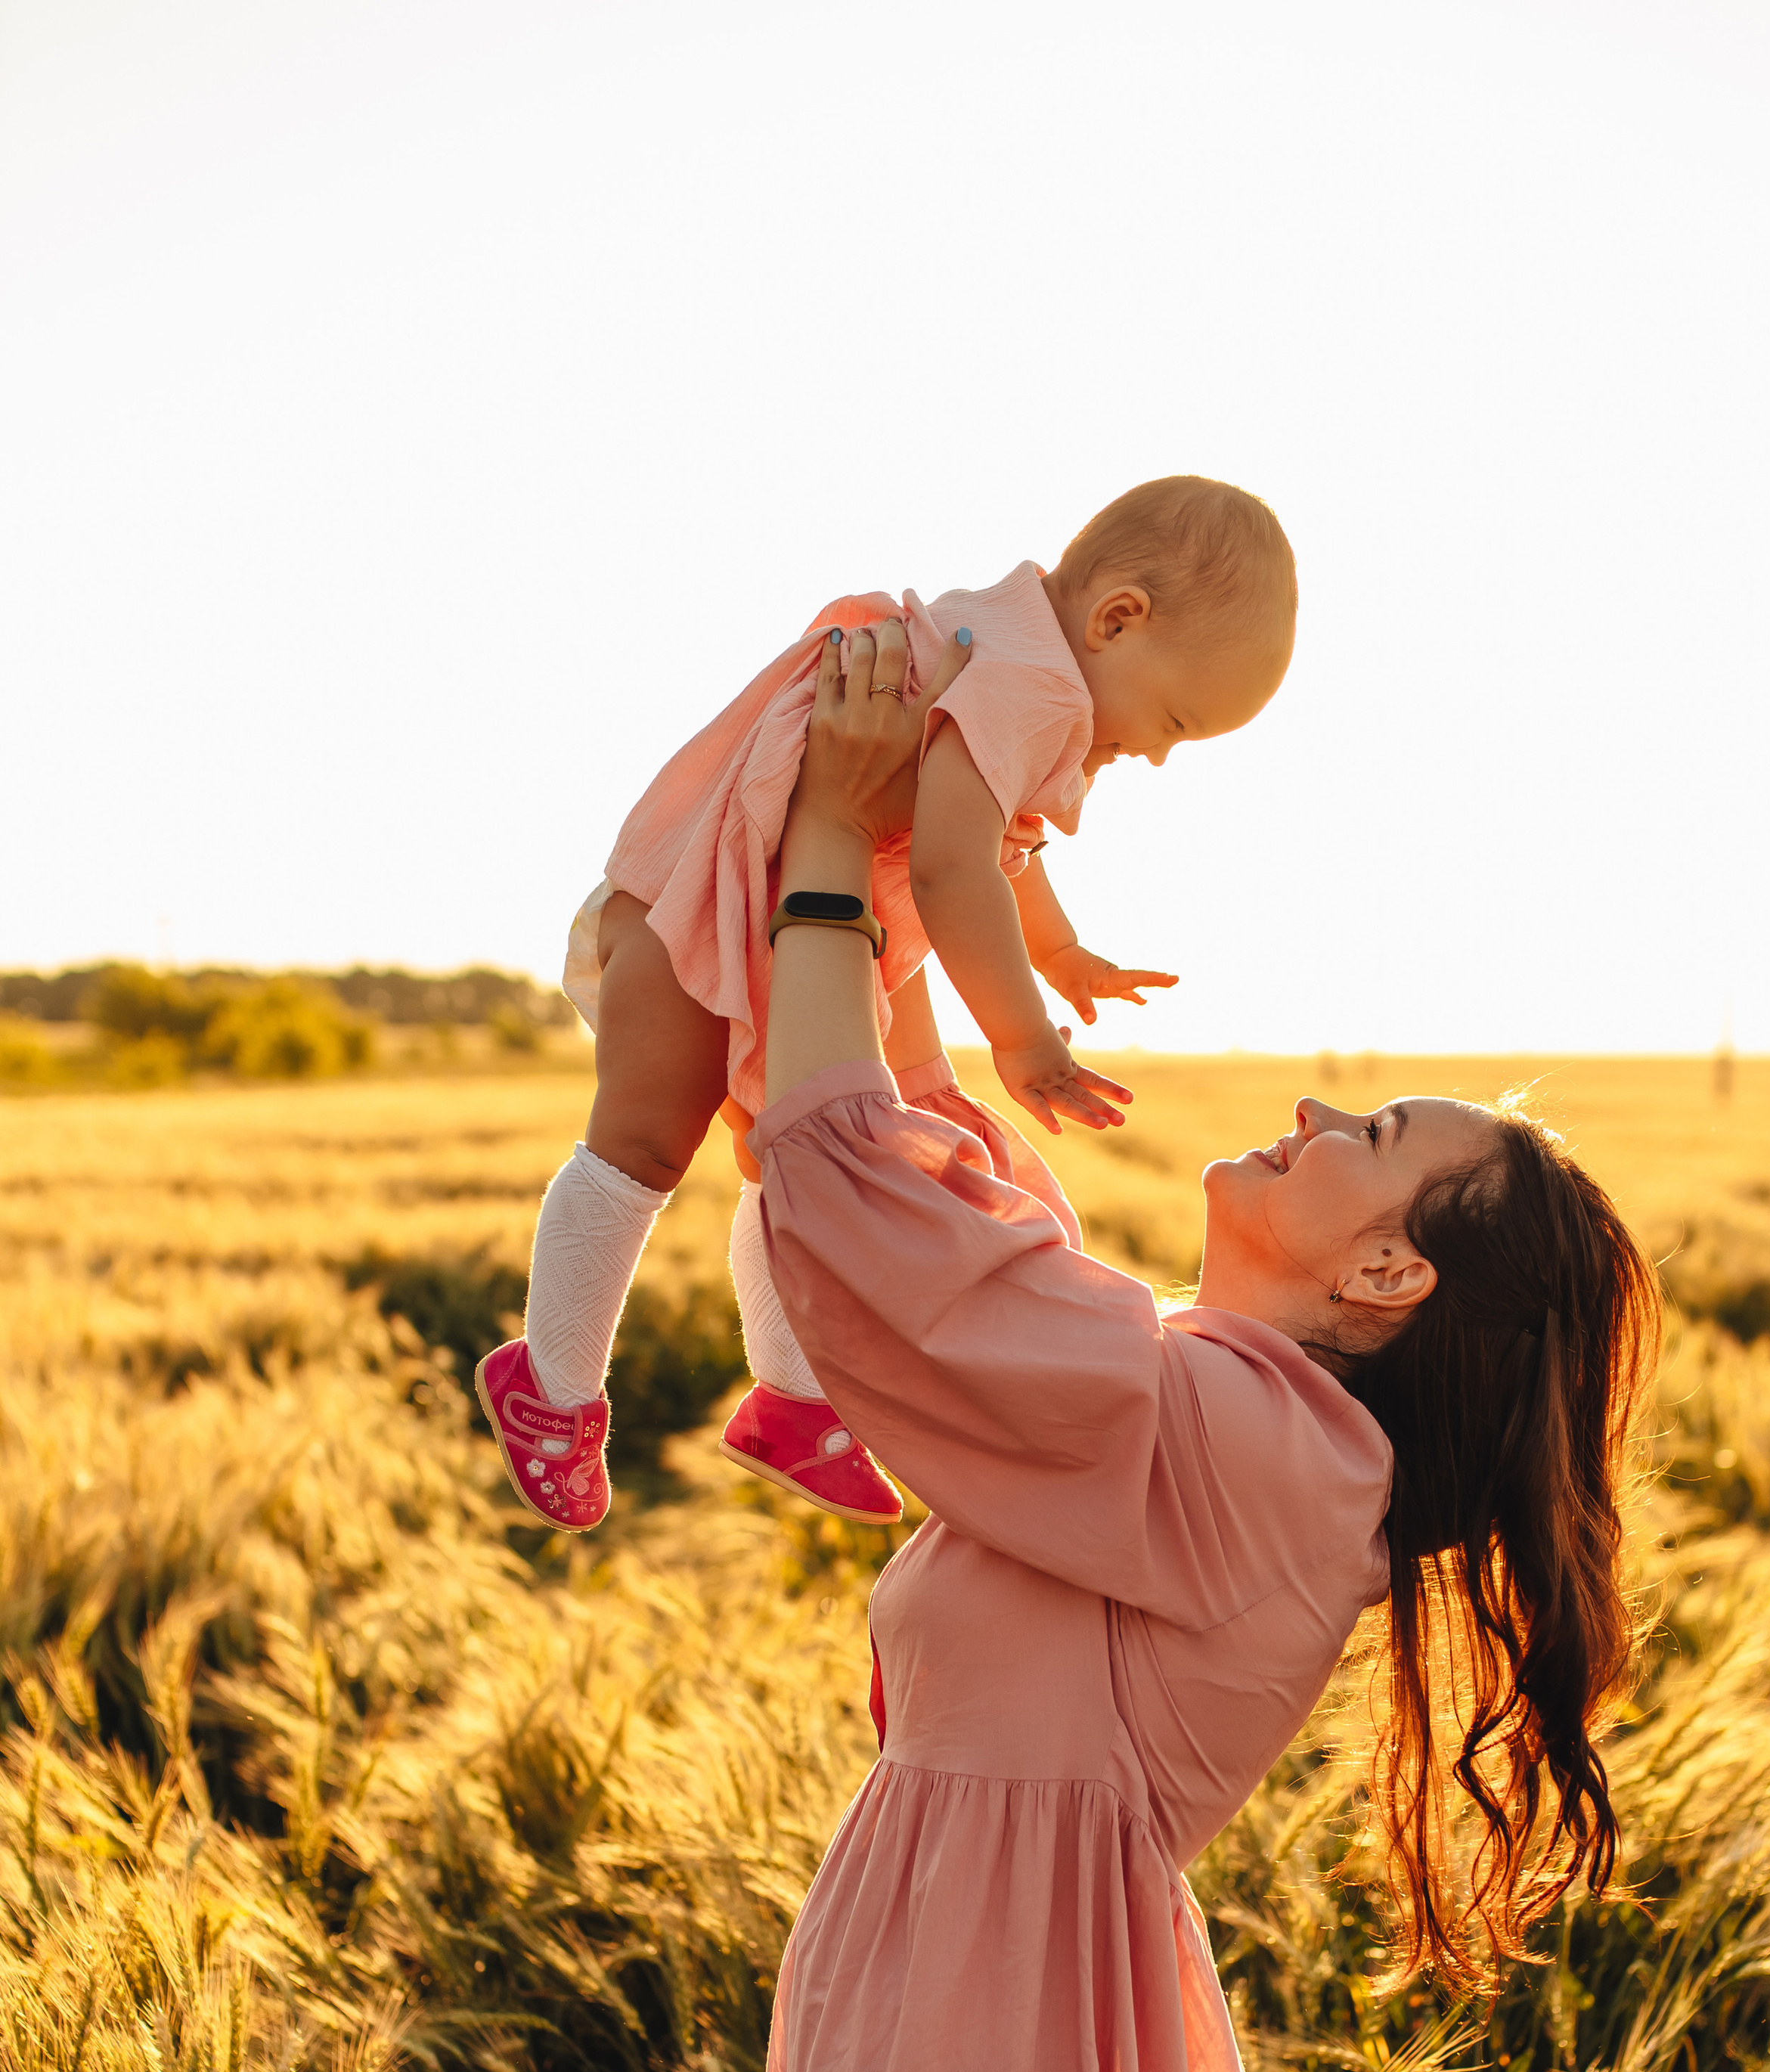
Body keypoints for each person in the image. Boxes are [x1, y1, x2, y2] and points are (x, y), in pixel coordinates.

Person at [668, 622, 1661, 2072]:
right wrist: (914, 867)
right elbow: (918, 1181)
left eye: (1380, 1142)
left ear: (1397, 1281)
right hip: (957, 2036)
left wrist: (830, 851)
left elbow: (853, 1185)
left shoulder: (1244, 1442)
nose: (1321, 1111)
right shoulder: (1210, 1406)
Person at [475, 477, 1297, 1533]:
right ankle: (551, 1386)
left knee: (795, 1155)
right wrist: (1026, 1040)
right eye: (1177, 719)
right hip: (715, 896)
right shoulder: (1036, 686)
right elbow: (958, 869)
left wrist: (1063, 953)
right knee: (646, 1136)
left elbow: (999, 842)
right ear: (1118, 618)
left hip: (772, 900)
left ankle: (792, 1405)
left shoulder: (1011, 653)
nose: (1159, 753)